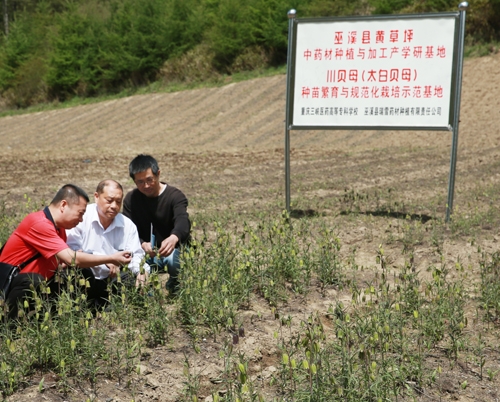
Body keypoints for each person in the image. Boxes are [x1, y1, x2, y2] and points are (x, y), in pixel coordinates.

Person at [0, 184, 132, 320]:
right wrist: (110, 258)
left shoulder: (59, 229)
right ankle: (8, 324)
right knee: (32, 281)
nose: (81, 220)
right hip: (7, 286)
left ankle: (70, 316)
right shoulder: (39, 223)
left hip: (35, 285)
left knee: (79, 273)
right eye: (80, 213)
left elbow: (65, 260)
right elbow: (72, 258)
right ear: (63, 205)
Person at [66, 179, 150, 309]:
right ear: (96, 197)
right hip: (86, 278)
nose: (114, 206)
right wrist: (103, 260)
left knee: (130, 278)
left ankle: (111, 306)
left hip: (112, 280)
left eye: (118, 201)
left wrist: (141, 271)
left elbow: (136, 255)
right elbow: (71, 252)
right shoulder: (81, 217)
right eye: (109, 200)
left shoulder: (127, 225)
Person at [123, 154, 190, 294]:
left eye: (149, 180)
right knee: (130, 266)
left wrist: (173, 238)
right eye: (140, 182)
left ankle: (175, 283)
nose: (146, 186)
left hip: (172, 250)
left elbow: (183, 222)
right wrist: (141, 243)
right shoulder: (131, 199)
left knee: (174, 261)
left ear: (158, 174)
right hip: (145, 253)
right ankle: (148, 295)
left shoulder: (175, 196)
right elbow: (127, 230)